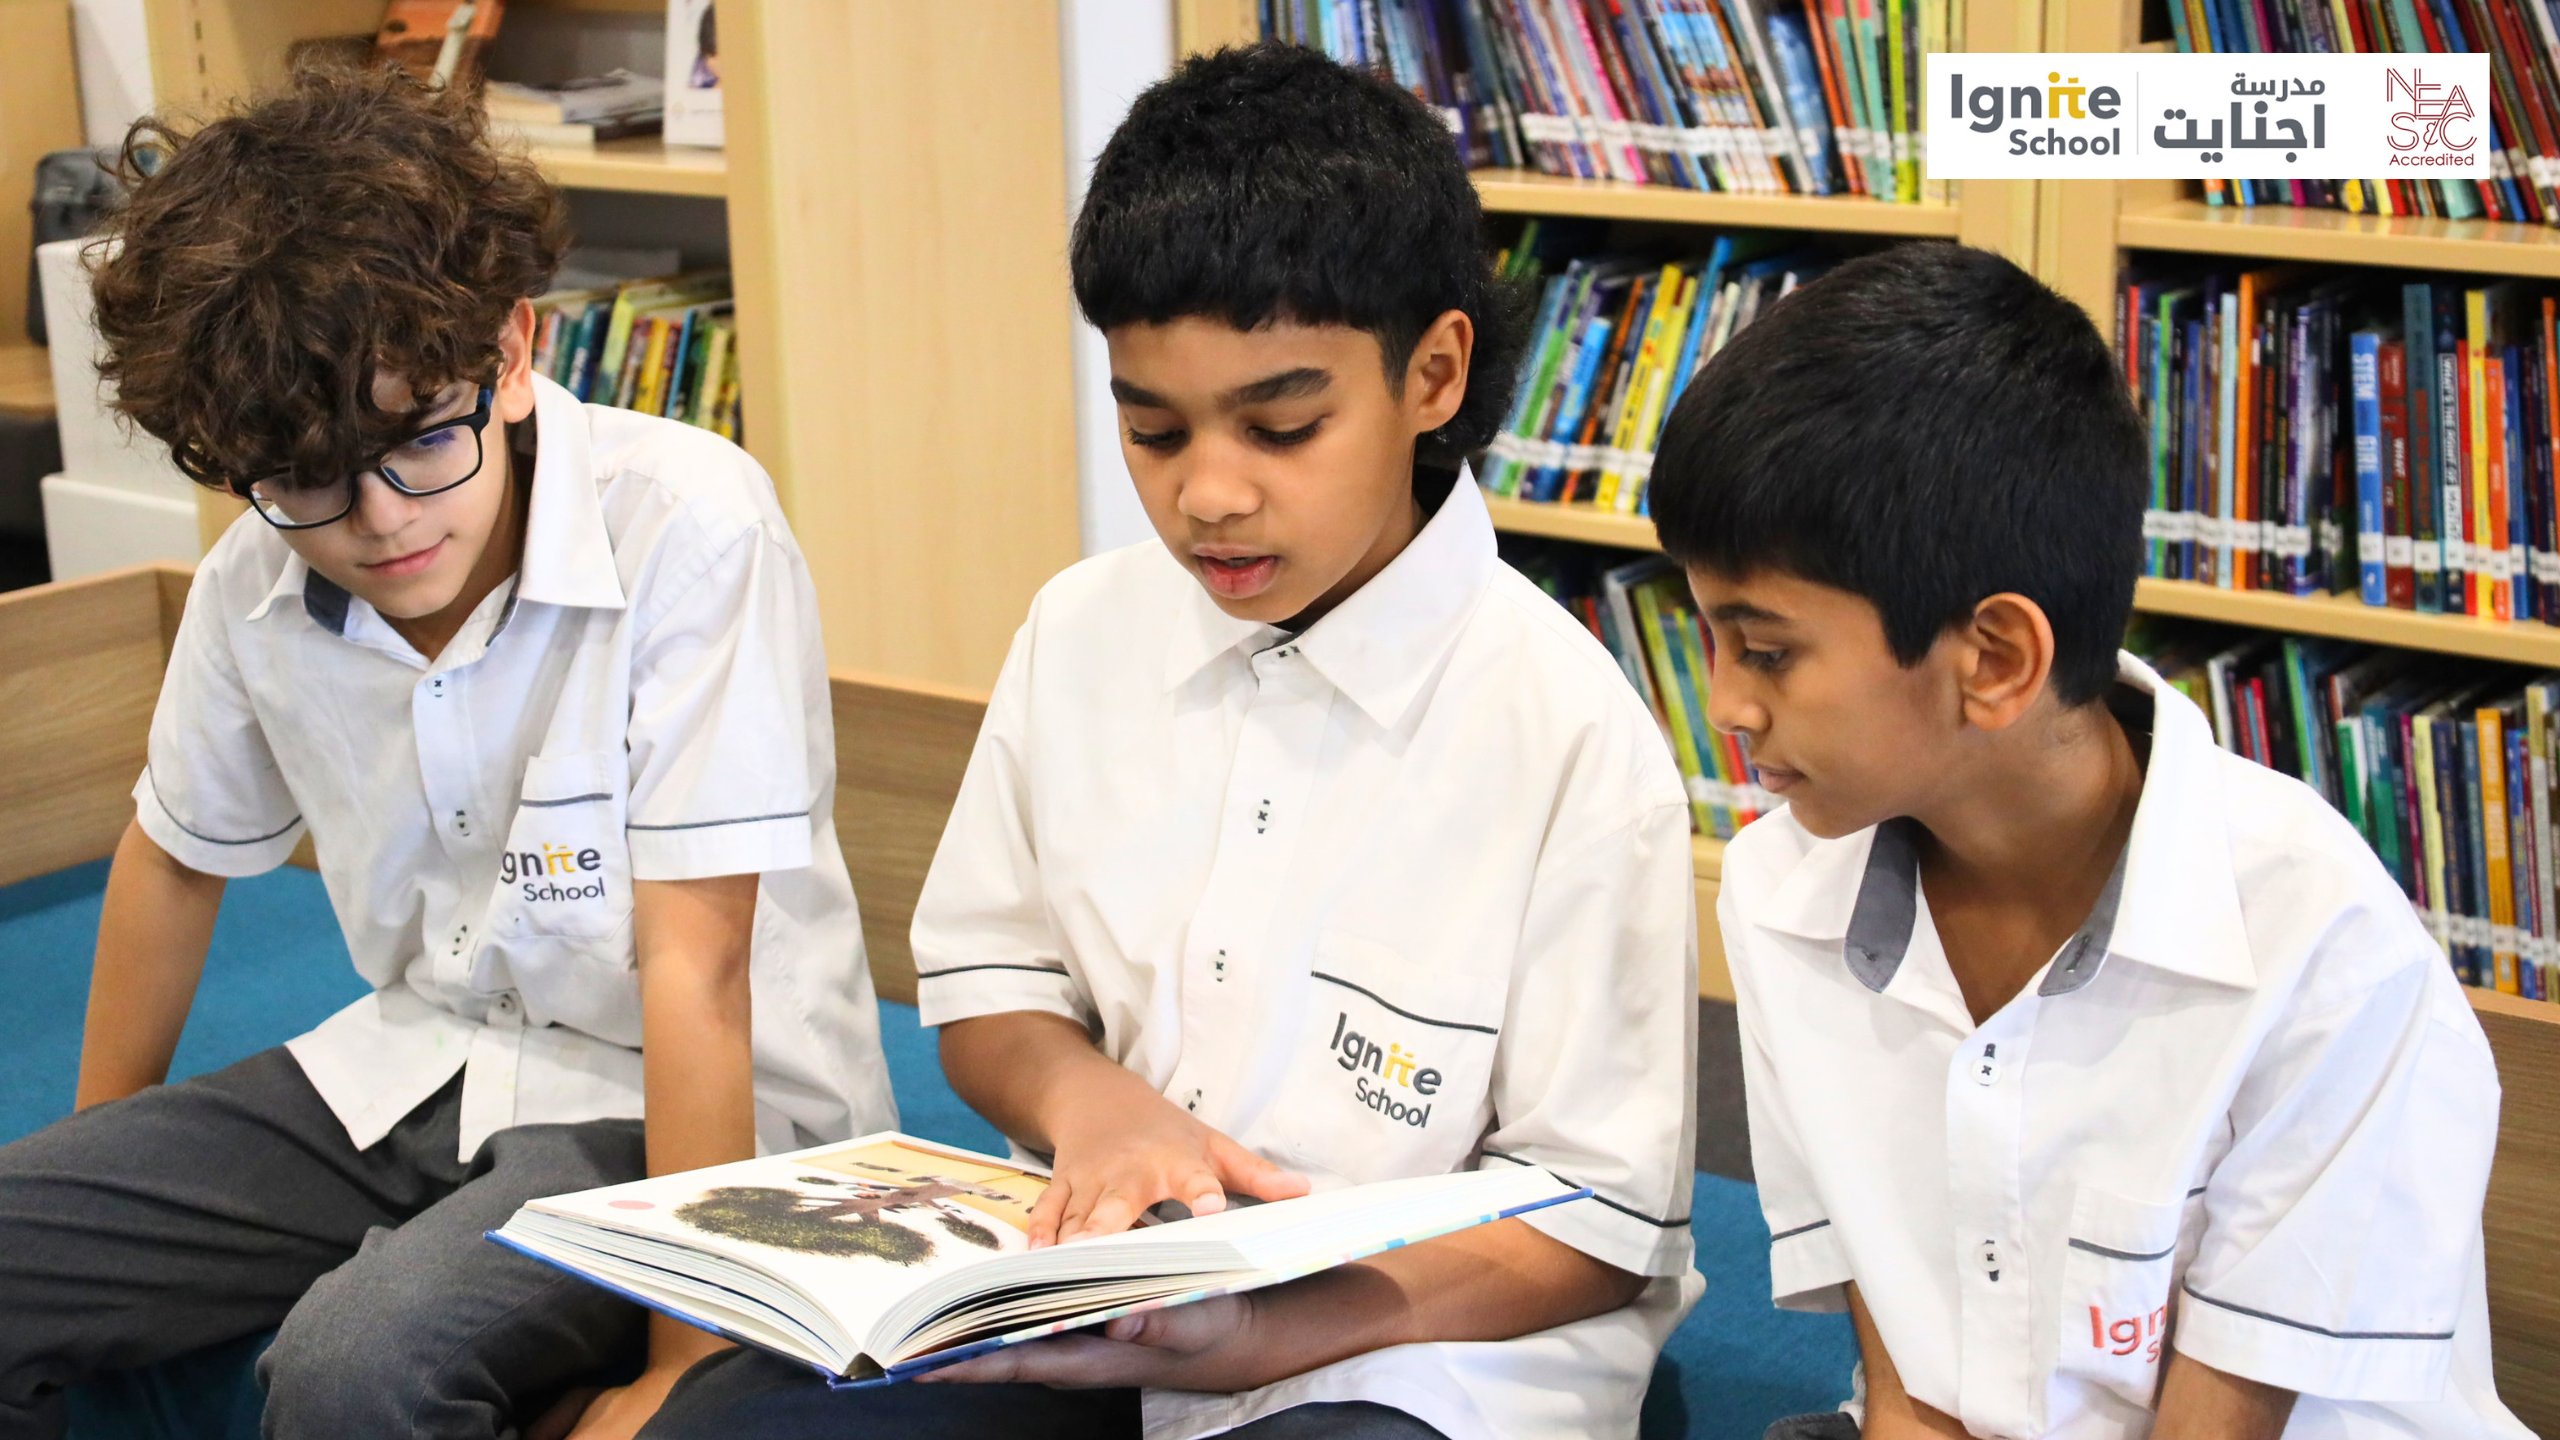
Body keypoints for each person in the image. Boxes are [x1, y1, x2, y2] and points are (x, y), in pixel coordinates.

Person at [639, 41, 1700, 1440]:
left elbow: (1597, 1225)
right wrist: (1091, 1103)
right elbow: (987, 992)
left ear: (1435, 373)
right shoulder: (1081, 631)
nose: (1209, 494)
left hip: (1415, 1342)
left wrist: (1254, 1335)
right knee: (732, 1425)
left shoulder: (1568, 734)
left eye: (1283, 427)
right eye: (1152, 431)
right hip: (1104, 1296)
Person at [0, 65, 894, 1440]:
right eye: (306, 477)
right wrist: (105, 1178)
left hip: (683, 1110)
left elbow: (697, 969)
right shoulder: (253, 577)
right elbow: (173, 862)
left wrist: (681, 1371)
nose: (379, 521)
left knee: (359, 1368)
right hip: (415, 1065)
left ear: (512, 352)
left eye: (420, 441)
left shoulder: (692, 525)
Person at [1648, 242, 2529, 1440]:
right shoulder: (1776, 891)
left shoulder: (2320, 947)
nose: (1724, 705)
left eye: (1765, 651)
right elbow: (1900, 1363)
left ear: (1995, 659)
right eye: (1707, 639)